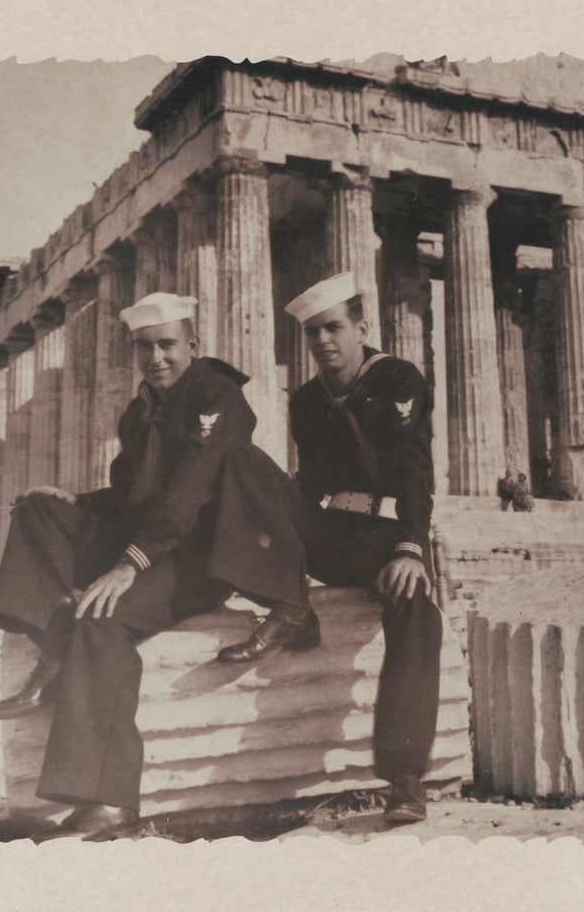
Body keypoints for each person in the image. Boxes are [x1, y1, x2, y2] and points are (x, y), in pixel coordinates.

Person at [0, 292, 311, 842]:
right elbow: (131, 496)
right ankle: (56, 646)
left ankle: (109, 804)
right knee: (37, 509)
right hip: (152, 542)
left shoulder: (218, 397)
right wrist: (74, 503)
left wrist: (128, 565)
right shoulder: (141, 409)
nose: (156, 357)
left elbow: (186, 495)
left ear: (193, 345)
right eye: (144, 347)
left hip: (197, 558)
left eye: (167, 345)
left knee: (103, 620)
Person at [219, 271, 442, 825]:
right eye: (313, 332)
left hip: (387, 535)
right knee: (242, 460)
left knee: (417, 613)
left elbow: (416, 469)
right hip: (329, 531)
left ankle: (405, 777)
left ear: (360, 328)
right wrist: (278, 533)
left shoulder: (397, 379)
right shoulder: (307, 400)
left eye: (333, 328)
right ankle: (291, 607)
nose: (322, 340)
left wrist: (412, 548)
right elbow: (310, 481)